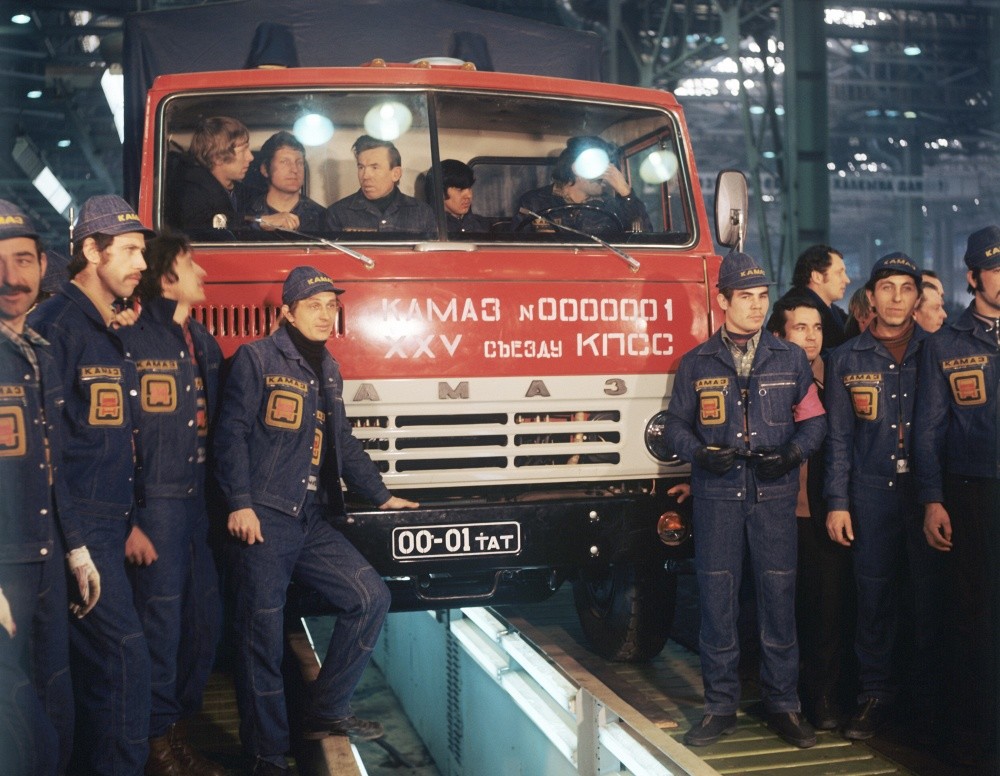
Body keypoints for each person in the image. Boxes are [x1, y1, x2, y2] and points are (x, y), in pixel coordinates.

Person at [213, 266, 420, 775]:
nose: (326, 314)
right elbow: (230, 433)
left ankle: (323, 710)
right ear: (287, 311)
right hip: (265, 516)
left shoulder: (328, 367)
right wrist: (239, 502)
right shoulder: (257, 359)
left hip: (309, 516)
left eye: (331, 305)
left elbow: (342, 440)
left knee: (370, 597)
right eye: (314, 305)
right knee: (260, 640)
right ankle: (265, 756)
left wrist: (381, 495)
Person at [664, 251, 826, 749]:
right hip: (717, 498)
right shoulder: (695, 364)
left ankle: (784, 705)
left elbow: (815, 422)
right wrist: (698, 453)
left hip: (774, 497)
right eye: (746, 297)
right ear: (722, 301)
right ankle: (719, 708)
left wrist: (792, 454)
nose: (757, 307)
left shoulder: (790, 358)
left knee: (779, 602)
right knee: (717, 603)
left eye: (762, 297)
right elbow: (674, 426)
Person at [29, 194, 154, 774]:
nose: (141, 264)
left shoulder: (103, 328)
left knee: (103, 673)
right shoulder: (56, 328)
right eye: (129, 250)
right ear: (91, 251)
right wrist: (76, 544)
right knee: (123, 662)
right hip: (75, 526)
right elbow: (45, 450)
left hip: (105, 523)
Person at [116, 232, 225, 776]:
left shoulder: (199, 340)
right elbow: (116, 439)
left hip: (197, 503)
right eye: (190, 263)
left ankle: (178, 735)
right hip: (155, 505)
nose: (201, 272)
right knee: (159, 627)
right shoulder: (130, 340)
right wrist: (129, 520)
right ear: (166, 277)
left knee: (202, 624)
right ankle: (156, 747)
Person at [824, 252, 944, 742]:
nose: (896, 298)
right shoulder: (845, 359)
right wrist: (837, 502)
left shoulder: (939, 352)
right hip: (870, 495)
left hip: (929, 494)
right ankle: (875, 696)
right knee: (873, 598)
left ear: (918, 297)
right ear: (870, 297)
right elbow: (838, 439)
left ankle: (929, 704)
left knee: (930, 599)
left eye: (906, 288)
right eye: (887, 288)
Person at [0, 200, 99, 775]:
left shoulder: (40, 355)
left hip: (45, 560)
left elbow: (51, 463)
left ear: (42, 266)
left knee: (56, 705)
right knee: (20, 729)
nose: (10, 278)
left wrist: (76, 547)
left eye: (22, 261)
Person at [916, 225, 1000, 770]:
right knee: (977, 620)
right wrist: (932, 500)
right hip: (974, 495)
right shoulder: (945, 345)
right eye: (995, 269)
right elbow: (927, 431)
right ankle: (978, 738)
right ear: (973, 277)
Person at [765, 292, 854, 731]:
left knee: (826, 611)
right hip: (774, 513)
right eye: (801, 328)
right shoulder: (763, 378)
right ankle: (783, 697)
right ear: (779, 334)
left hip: (822, 512)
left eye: (817, 328)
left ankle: (821, 696)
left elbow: (843, 445)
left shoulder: (835, 377)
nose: (812, 337)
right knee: (780, 611)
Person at [513, 135, 651, 234]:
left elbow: (644, 239)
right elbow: (517, 247)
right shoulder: (534, 202)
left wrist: (626, 193)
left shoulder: (612, 206)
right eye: (599, 167)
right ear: (577, 168)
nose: (606, 176)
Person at [323, 135, 435, 236]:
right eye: (361, 167)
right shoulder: (337, 213)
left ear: (396, 174)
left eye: (374, 167)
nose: (365, 176)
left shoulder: (422, 213)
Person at [171, 116, 254, 233]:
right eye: (243, 151)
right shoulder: (192, 193)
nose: (250, 157)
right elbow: (206, 222)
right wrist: (256, 220)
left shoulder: (242, 191)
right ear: (217, 157)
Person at [247, 131, 326, 233]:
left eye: (299, 163)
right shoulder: (247, 213)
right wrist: (259, 222)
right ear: (265, 169)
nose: (295, 169)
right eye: (284, 162)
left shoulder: (321, 217)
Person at [790, 244, 850, 353]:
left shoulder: (833, 310)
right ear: (817, 277)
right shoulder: (792, 311)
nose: (847, 280)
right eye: (839, 273)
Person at [424, 159, 490, 234]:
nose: (469, 195)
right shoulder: (429, 227)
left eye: (469, 188)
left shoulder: (483, 225)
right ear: (439, 192)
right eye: (460, 190)